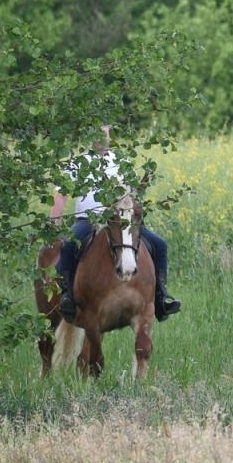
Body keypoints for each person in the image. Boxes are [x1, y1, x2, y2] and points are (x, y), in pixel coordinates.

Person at [50, 126, 181, 323]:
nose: (101, 140)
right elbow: (61, 194)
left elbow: (132, 195)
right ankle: (67, 295)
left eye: (105, 135)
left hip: (120, 220)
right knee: (69, 244)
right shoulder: (77, 163)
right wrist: (55, 221)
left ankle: (160, 298)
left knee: (160, 245)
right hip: (88, 220)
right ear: (89, 138)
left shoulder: (121, 161)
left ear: (110, 137)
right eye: (96, 136)